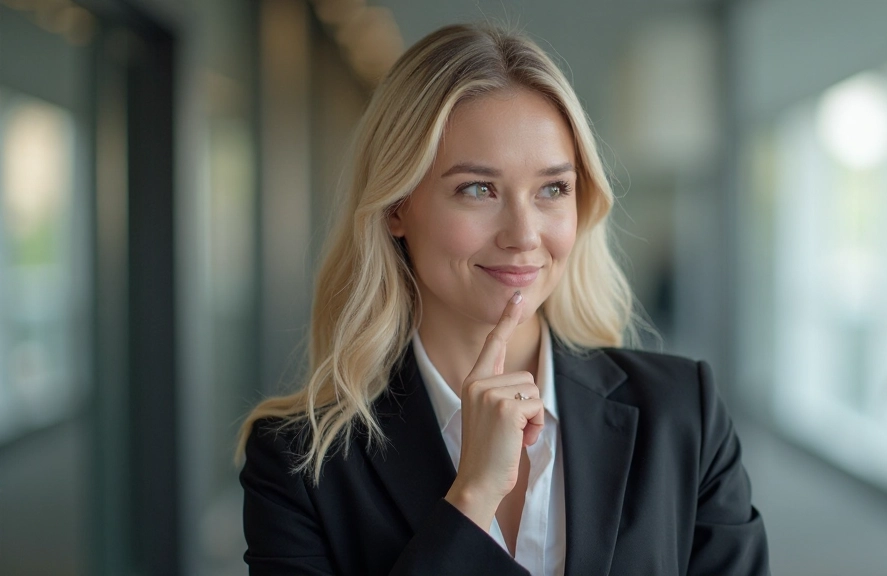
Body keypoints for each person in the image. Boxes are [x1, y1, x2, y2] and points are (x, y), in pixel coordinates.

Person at [237, 23, 770, 576]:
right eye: (477, 189)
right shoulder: (299, 461)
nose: (523, 234)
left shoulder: (685, 414)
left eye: (552, 189)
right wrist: (471, 499)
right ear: (397, 206)